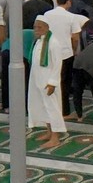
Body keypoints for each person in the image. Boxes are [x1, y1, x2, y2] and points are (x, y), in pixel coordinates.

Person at [42, 0, 86, 117]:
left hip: (49, 52)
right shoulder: (71, 17)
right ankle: (64, 111)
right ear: (68, 1)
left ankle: (49, 108)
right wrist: (73, 50)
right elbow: (75, 37)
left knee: (50, 80)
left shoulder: (47, 14)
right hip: (65, 54)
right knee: (64, 83)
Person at [27, 16, 65, 149]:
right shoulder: (39, 41)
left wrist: (52, 82)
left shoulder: (53, 42)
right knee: (43, 106)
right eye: (35, 27)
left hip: (48, 81)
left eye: (40, 27)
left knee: (52, 108)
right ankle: (49, 132)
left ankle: (55, 138)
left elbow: (57, 64)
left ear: (47, 28)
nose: (36, 30)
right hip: (37, 79)